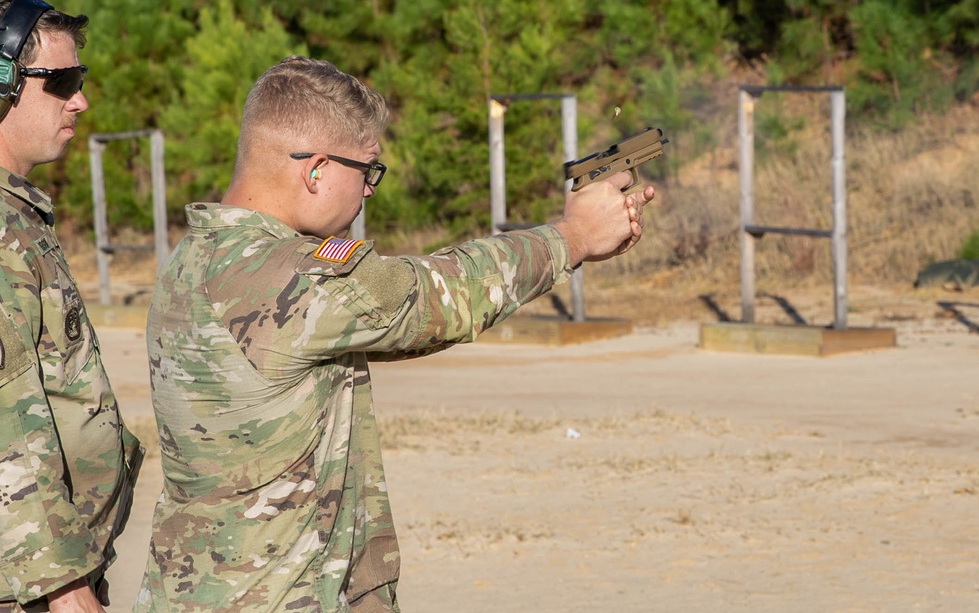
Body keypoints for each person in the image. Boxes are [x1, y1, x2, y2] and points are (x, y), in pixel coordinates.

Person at [134, 55, 654, 613]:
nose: (368, 193)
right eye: (367, 172)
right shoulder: (290, 276)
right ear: (316, 170)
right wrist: (572, 237)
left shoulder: (196, 256)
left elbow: (406, 328)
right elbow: (438, 297)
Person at [0, 0, 144, 613]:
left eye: (78, 78)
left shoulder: (17, 215)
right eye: (60, 81)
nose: (80, 99)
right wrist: (62, 587)